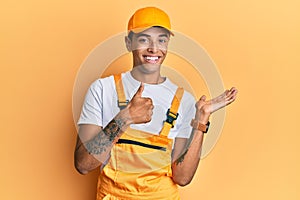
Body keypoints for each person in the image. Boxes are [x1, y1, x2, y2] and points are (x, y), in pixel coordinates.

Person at [74, 6, 238, 200]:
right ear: (128, 43)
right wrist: (125, 118)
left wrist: (201, 120)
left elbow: (183, 177)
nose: (154, 48)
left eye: (161, 40)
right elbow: (83, 165)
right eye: (144, 39)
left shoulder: (183, 101)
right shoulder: (102, 90)